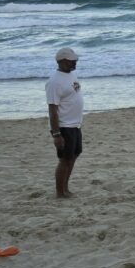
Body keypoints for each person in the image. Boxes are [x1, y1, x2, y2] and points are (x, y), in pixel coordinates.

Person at [46, 47, 84, 199]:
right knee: (64, 160)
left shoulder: (71, 75)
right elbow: (52, 109)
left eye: (75, 60)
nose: (75, 62)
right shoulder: (54, 82)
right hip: (64, 127)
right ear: (61, 61)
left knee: (74, 156)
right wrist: (56, 134)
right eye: (71, 61)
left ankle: (65, 188)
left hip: (75, 125)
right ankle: (59, 192)